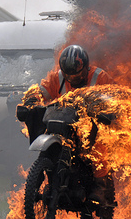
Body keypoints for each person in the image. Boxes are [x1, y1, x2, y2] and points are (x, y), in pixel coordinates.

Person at [38, 44, 114, 204]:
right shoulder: (56, 77)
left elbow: (111, 98)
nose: (72, 79)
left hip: (91, 125)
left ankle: (101, 187)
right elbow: (42, 91)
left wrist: (105, 110)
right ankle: (43, 177)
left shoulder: (100, 77)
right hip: (62, 123)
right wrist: (32, 99)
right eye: (68, 75)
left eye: (76, 75)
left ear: (86, 67)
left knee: (98, 148)